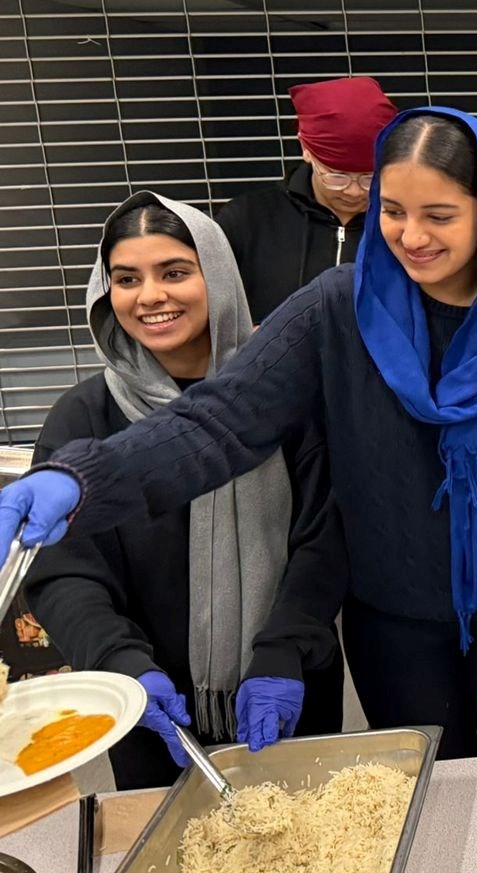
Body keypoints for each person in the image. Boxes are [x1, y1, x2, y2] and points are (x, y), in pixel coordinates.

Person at [0, 108, 477, 761]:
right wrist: (80, 477)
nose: (410, 236)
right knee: (428, 791)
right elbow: (219, 418)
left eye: (438, 215)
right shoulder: (336, 306)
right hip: (395, 625)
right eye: (393, 211)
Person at [24, 193, 346, 789]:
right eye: (127, 279)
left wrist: (284, 648)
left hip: (285, 681)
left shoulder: (288, 398)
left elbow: (325, 537)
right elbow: (64, 571)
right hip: (151, 707)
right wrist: (117, 662)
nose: (151, 296)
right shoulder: (83, 419)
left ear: (218, 277)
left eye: (174, 272)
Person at [216, 76, 397, 323]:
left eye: (369, 178)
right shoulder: (248, 220)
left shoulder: (404, 222)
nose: (354, 191)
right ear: (306, 149)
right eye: (336, 176)